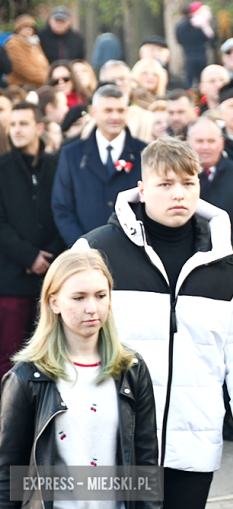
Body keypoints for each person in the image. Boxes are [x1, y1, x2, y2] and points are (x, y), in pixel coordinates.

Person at [77, 137, 233, 508]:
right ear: (143, 189)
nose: (178, 194)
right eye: (165, 184)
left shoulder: (229, 267)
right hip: (115, 441)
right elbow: (69, 346)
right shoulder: (96, 252)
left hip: (194, 444)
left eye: (188, 183)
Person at [0, 248, 159, 508]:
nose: (91, 308)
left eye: (100, 296)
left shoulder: (132, 369)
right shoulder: (27, 377)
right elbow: (8, 476)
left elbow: (146, 466)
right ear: (54, 303)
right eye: (78, 297)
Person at [0, 103, 65, 378]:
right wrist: (29, 257)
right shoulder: (2, 168)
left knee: (50, 352)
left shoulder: (58, 165)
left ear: (39, 128)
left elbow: (65, 212)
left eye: (23, 124)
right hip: (12, 277)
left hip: (51, 276)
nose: (16, 130)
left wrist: (46, 257)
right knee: (9, 354)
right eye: (12, 124)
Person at [52, 85, 147, 246]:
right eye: (108, 111)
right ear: (94, 112)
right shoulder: (72, 154)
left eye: (120, 110)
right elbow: (62, 207)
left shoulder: (144, 152)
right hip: (86, 250)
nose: (115, 117)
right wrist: (82, 245)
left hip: (133, 249)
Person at [187, 117, 233, 254]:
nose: (205, 147)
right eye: (199, 141)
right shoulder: (178, 176)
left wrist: (224, 248)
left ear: (221, 143)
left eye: (211, 141)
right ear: (188, 142)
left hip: (228, 256)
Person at [100, 60, 155, 142]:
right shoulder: (93, 113)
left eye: (123, 79)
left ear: (131, 83)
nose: (118, 83)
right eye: (112, 80)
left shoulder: (146, 112)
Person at [4, 15, 50, 87]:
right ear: (18, 29)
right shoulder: (13, 45)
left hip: (39, 85)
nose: (28, 30)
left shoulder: (34, 43)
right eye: (25, 27)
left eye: (31, 28)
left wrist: (49, 74)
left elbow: (44, 62)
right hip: (21, 88)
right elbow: (24, 70)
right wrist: (46, 78)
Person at [176, 2, 214, 88]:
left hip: (188, 54)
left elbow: (179, 40)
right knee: (202, 79)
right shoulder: (201, 24)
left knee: (189, 80)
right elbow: (208, 38)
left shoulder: (180, 26)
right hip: (201, 54)